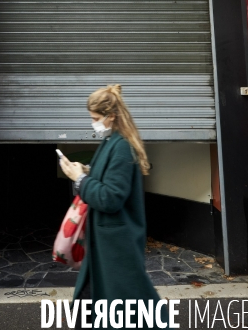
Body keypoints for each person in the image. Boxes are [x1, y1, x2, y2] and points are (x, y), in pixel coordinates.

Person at [59, 84, 170, 330]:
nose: (93, 124)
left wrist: (80, 179)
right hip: (107, 246)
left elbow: (111, 198)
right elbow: (106, 181)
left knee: (123, 310)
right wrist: (83, 172)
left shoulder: (120, 148)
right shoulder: (113, 142)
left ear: (111, 116)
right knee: (100, 309)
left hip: (115, 250)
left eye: (95, 118)